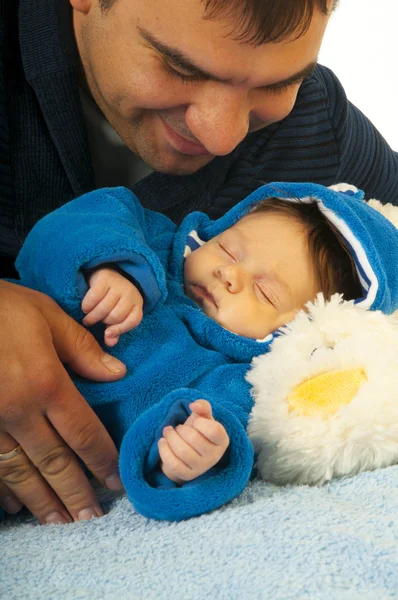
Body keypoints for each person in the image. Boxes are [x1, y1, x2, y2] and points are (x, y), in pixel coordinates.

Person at [1, 0, 398, 524]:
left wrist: (204, 454)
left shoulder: (317, 130)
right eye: (180, 67)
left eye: (274, 86)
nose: (222, 135)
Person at [9, 180, 397, 521]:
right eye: (228, 249)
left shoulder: (237, 379)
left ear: (299, 328)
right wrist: (112, 266)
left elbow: (225, 436)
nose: (229, 274)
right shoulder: (152, 244)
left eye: (264, 291)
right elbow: (77, 222)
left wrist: (194, 458)